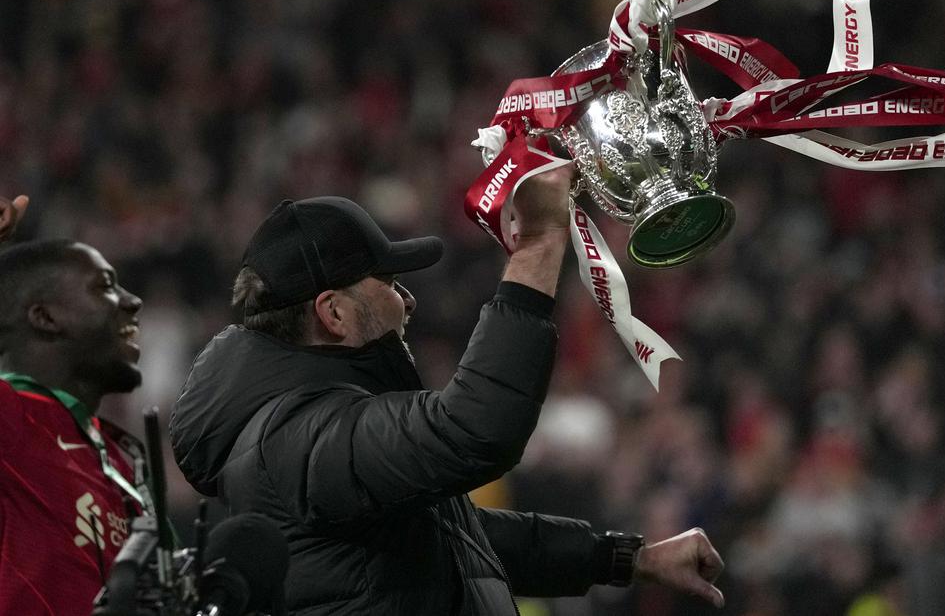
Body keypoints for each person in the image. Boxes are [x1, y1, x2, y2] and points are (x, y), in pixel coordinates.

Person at [168, 166, 726, 615]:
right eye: (388, 283)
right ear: (333, 312)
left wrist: (631, 560)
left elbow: (461, 540)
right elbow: (476, 429)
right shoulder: (291, 440)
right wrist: (537, 248)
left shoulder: (306, 431)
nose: (407, 300)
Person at [0, 233, 149, 616]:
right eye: (105, 286)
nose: (133, 302)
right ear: (45, 317)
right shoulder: (11, 416)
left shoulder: (125, 462)